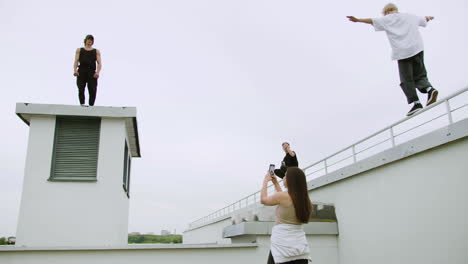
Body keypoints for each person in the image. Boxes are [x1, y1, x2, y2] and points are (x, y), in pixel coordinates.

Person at [347, 3, 438, 116]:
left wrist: (358, 20)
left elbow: (372, 20)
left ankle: (416, 103)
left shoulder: (386, 19)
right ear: (396, 9)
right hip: (417, 49)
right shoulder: (409, 16)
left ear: (386, 12)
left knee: (406, 79)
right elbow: (424, 19)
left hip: (403, 53)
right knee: (420, 74)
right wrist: (430, 17)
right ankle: (430, 89)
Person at [261, 167, 312, 264]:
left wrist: (265, 181)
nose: (283, 178)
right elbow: (284, 199)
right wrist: (276, 183)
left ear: (291, 180)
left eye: (285, 176)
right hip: (300, 249)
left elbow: (263, 200)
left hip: (282, 248)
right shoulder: (304, 199)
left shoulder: (283, 197)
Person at [73, 34, 102, 106]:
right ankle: (82, 103)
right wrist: (75, 70)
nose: (90, 41)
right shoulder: (79, 50)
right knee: (81, 88)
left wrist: (97, 72)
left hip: (91, 71)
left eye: (91, 40)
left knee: (92, 89)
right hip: (82, 70)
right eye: (88, 39)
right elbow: (76, 61)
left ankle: (91, 105)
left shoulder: (96, 51)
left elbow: (99, 63)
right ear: (85, 40)